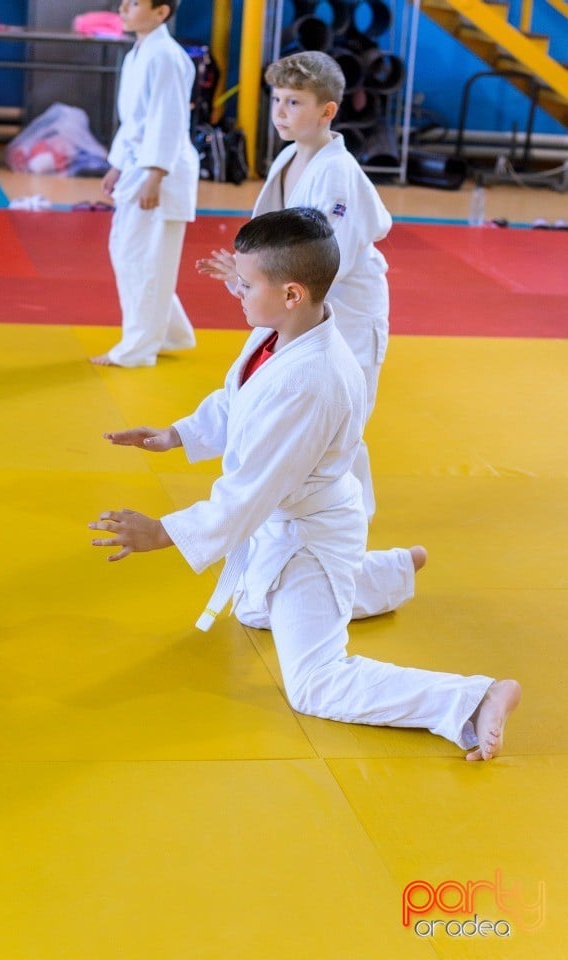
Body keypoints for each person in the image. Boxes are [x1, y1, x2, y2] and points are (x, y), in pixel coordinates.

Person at [89, 208, 520, 761]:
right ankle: (385, 573)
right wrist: (176, 434)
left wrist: (163, 533)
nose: (235, 292)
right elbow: (237, 402)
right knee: (252, 608)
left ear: (292, 293)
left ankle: (473, 697)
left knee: (314, 684)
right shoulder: (277, 335)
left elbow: (250, 492)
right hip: (289, 520)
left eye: (245, 284)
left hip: (310, 535)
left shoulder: (311, 381)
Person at [197, 51, 391, 520]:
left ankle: (347, 525)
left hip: (344, 305)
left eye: (295, 102)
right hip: (298, 300)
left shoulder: (336, 172)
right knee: (288, 407)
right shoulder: (290, 156)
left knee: (339, 422)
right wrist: (248, 277)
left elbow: (329, 259)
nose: (281, 112)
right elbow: (280, 243)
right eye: (277, 100)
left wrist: (257, 281)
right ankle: (297, 514)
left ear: (328, 111)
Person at [91, 0, 199, 368]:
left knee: (147, 259)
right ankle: (170, 332)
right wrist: (118, 164)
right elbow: (134, 121)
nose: (124, 8)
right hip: (139, 163)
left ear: (161, 12)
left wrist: (156, 173)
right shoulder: (138, 53)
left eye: (135, 3)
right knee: (130, 253)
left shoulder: (166, 56)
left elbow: (168, 118)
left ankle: (138, 348)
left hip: (162, 171)